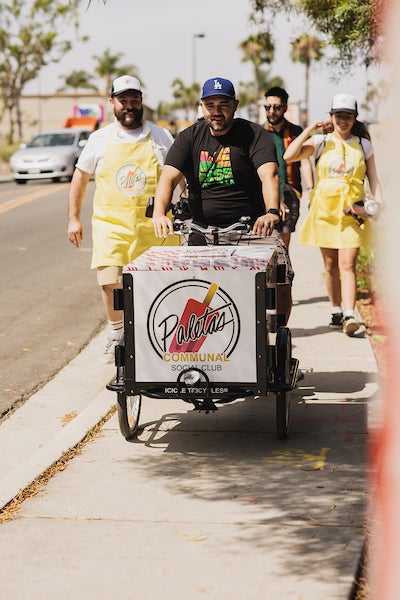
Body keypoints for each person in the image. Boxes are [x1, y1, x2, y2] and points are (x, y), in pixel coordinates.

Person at [152, 76, 293, 324]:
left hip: (251, 228)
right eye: (210, 105)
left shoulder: (254, 134)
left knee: (281, 278)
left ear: (235, 105)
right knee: (184, 286)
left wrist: (271, 211)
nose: (216, 112)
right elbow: (167, 179)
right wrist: (159, 213)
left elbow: (269, 174)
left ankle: (276, 334)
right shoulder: (189, 137)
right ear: (202, 106)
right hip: (201, 229)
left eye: (223, 105)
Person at [67, 75, 179, 362]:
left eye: (134, 100)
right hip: (111, 226)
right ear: (112, 102)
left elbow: (177, 175)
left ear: (141, 101)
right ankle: (117, 336)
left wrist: (191, 206)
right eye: (123, 100)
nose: (129, 106)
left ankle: (159, 336)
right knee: (110, 282)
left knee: (162, 286)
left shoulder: (160, 136)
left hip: (155, 226)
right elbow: (80, 179)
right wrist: (73, 219)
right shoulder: (99, 139)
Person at [283, 93, 383, 335]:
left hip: (353, 212)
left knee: (347, 264)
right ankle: (337, 309)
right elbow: (289, 155)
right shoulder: (321, 141)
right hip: (325, 211)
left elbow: (373, 178)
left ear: (355, 118)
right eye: (338, 116)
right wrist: (310, 129)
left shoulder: (363, 144)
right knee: (331, 266)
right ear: (331, 117)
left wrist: (379, 205)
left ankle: (350, 314)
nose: (343, 121)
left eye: (347, 116)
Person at [263, 86, 314, 249]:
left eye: (276, 107)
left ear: (285, 108)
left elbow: (305, 162)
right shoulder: (258, 132)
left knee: (284, 246)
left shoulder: (296, 131)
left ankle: (284, 275)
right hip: (264, 193)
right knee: (266, 243)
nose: (271, 111)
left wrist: (312, 190)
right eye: (268, 107)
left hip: (290, 193)